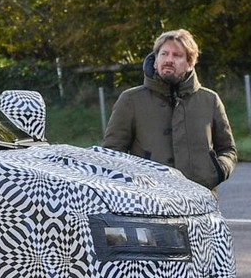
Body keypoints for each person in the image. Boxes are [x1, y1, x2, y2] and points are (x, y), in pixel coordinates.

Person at [102, 28, 238, 191]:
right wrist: (133, 185)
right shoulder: (131, 100)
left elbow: (228, 149)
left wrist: (217, 171)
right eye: (164, 54)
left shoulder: (210, 100)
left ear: (190, 63)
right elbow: (112, 152)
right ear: (155, 60)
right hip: (150, 202)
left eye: (177, 55)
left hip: (201, 200)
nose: (169, 60)